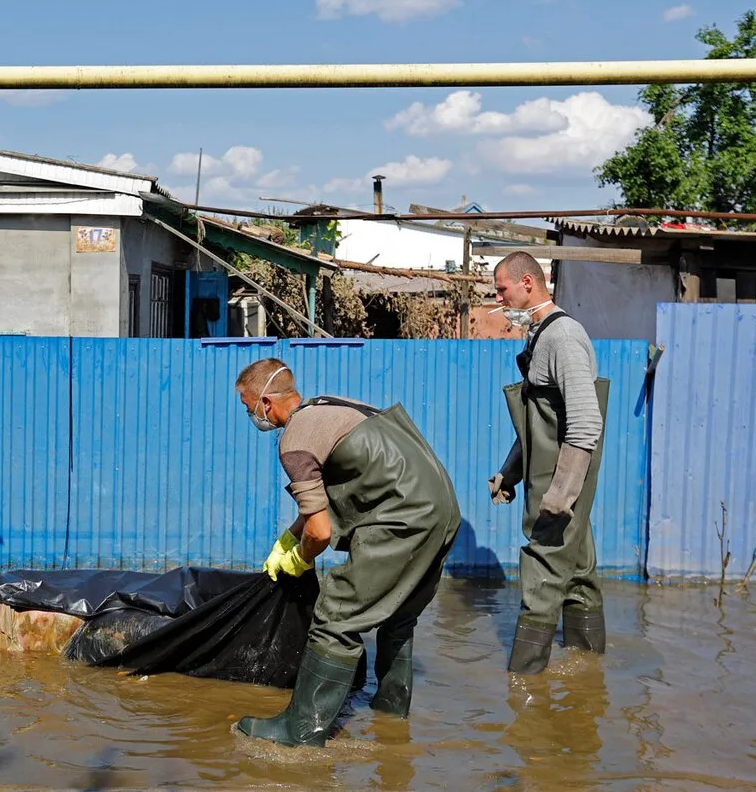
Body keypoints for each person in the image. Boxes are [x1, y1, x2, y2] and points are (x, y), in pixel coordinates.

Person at [233, 359, 461, 748]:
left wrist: (301, 557)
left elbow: (320, 532)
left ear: (266, 403)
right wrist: (288, 539)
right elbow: (316, 509)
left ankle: (302, 729)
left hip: (402, 519)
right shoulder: (332, 406)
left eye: (247, 405)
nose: (249, 414)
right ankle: (390, 718)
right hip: (442, 510)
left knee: (335, 616)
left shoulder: (295, 439)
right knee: (399, 615)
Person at [488, 251, 609, 675]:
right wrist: (510, 470)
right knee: (577, 574)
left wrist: (561, 495)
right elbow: (539, 421)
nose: (497, 297)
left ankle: (524, 686)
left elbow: (585, 421)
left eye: (501, 288)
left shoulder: (563, 337)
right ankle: (588, 673)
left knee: (541, 572)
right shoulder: (539, 336)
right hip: (550, 479)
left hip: (559, 487)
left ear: (526, 282)